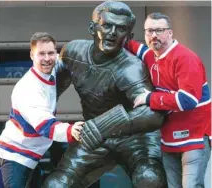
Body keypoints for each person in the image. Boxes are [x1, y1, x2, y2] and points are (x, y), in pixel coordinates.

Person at [43, 2, 167, 188]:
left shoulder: (131, 68)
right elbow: (48, 90)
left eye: (121, 28)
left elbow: (153, 113)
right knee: (56, 185)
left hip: (134, 137)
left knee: (149, 179)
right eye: (107, 25)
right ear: (92, 28)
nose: (112, 33)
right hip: (95, 136)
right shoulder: (73, 52)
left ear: (129, 36)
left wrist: (103, 125)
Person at [125, 12, 211, 188]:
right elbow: (135, 47)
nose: (153, 35)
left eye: (159, 30)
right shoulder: (151, 55)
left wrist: (149, 98)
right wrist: (119, 39)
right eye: (149, 31)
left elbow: (187, 100)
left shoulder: (186, 58)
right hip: (168, 141)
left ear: (170, 33)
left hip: (194, 138)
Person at [0, 32, 84, 188]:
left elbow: (67, 59)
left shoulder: (50, 70)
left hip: (32, 157)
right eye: (41, 54)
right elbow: (45, 126)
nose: (46, 58)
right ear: (32, 55)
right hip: (14, 158)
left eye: (50, 53)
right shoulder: (28, 88)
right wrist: (71, 131)